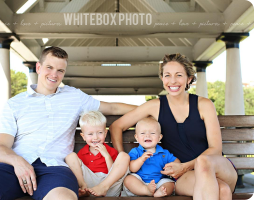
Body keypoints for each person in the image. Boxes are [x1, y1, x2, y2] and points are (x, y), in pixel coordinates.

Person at [0, 46, 136, 200]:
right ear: (38, 67)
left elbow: (112, 107)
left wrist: (150, 109)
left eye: (60, 70)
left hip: (55, 168)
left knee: (64, 198)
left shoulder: (74, 97)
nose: (54, 74)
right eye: (49, 67)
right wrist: (18, 162)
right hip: (13, 166)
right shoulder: (15, 103)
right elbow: (0, 148)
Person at [109, 53, 238, 200]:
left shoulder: (204, 105)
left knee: (204, 161)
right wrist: (124, 162)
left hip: (216, 167)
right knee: (222, 191)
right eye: (167, 75)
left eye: (179, 75)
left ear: (189, 79)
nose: (173, 81)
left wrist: (185, 166)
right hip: (184, 176)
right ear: (162, 78)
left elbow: (216, 149)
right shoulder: (155, 106)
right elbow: (116, 127)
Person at [65, 110, 129, 197]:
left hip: (109, 185)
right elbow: (81, 171)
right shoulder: (82, 153)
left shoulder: (111, 151)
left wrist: (106, 156)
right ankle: (82, 186)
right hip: (89, 185)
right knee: (70, 156)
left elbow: (113, 172)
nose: (95, 137)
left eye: (100, 132)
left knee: (124, 156)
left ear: (105, 133)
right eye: (90, 134)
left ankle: (102, 187)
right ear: (83, 136)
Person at [122, 117, 180, 197]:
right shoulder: (135, 151)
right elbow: (132, 168)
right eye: (143, 133)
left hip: (159, 182)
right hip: (140, 182)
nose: (147, 135)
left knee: (170, 184)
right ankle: (146, 190)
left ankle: (160, 192)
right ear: (136, 137)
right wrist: (141, 159)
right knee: (128, 179)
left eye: (152, 133)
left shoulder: (164, 153)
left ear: (159, 137)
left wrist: (171, 167)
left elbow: (177, 162)